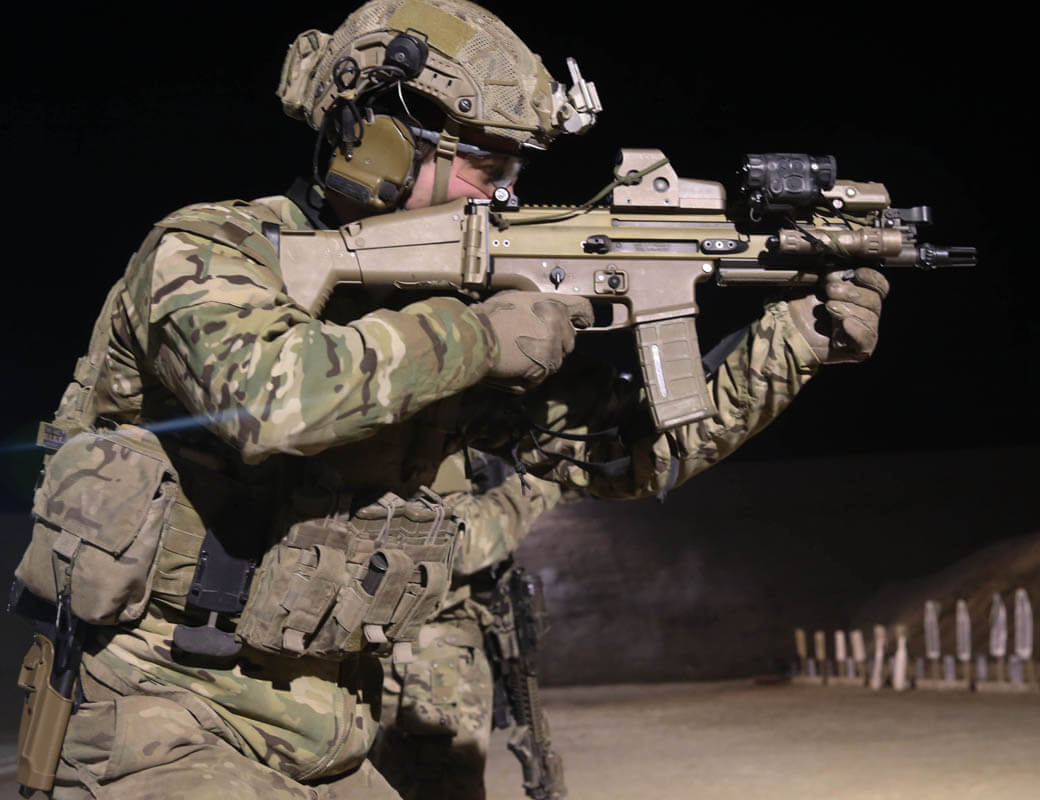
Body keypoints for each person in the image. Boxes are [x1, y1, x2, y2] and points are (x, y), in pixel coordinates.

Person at [9, 1, 888, 798]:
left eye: (515, 166)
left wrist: (797, 341)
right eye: (485, 161)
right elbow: (269, 399)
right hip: (159, 716)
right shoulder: (211, 249)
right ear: (379, 142)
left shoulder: (447, 307)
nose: (505, 191)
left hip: (328, 732)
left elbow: (624, 454)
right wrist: (478, 338)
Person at [372, 450, 567, 800]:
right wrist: (542, 481)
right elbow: (465, 543)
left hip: (430, 652)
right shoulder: (422, 440)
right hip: (424, 657)